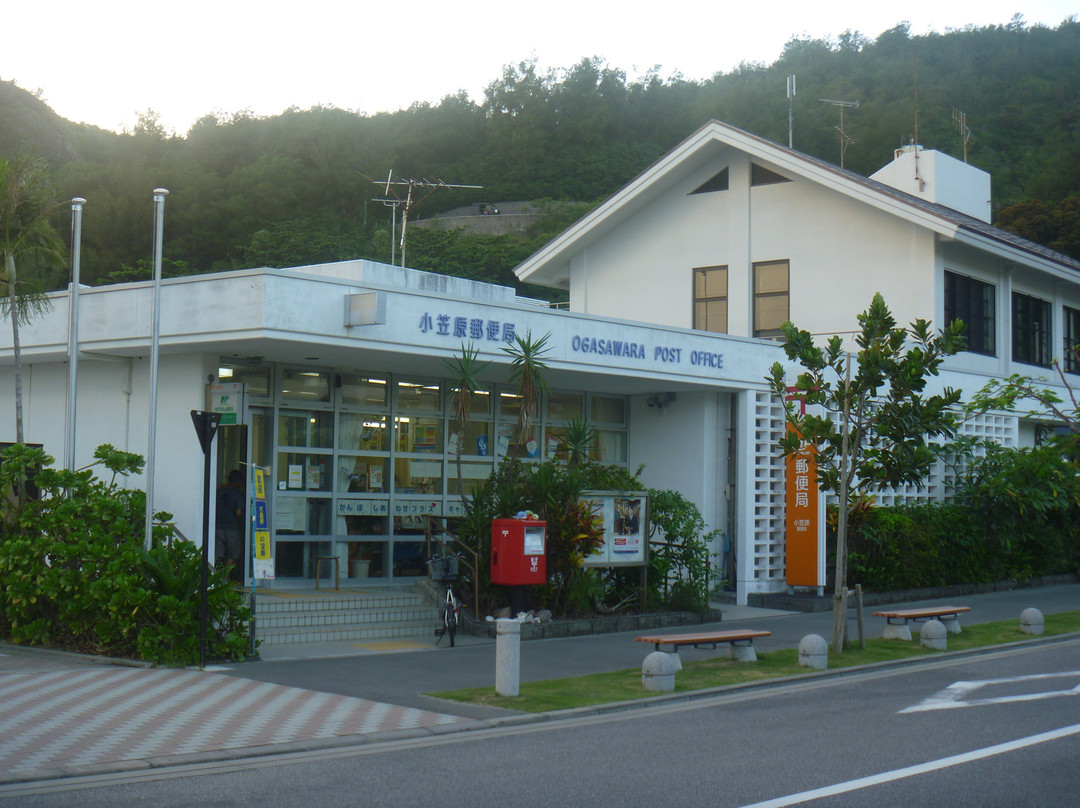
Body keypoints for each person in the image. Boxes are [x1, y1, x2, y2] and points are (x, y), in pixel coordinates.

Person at [215, 469, 245, 581]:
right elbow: (238, 513)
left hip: (217, 527)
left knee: (216, 554)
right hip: (232, 528)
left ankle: (210, 577)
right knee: (231, 555)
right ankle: (225, 580)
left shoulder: (218, 491)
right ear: (239, 481)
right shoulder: (238, 495)